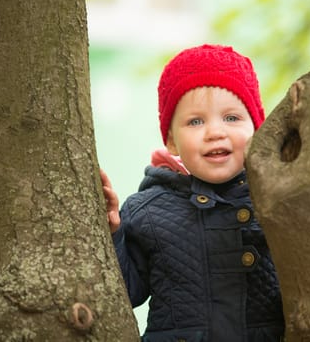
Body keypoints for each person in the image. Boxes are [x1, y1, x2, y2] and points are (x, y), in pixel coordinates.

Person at [101, 44, 284, 342]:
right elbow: (125, 294)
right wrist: (113, 234)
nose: (215, 132)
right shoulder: (147, 210)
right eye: (196, 121)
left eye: (232, 118)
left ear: (257, 128)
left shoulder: (277, 203)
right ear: (171, 141)